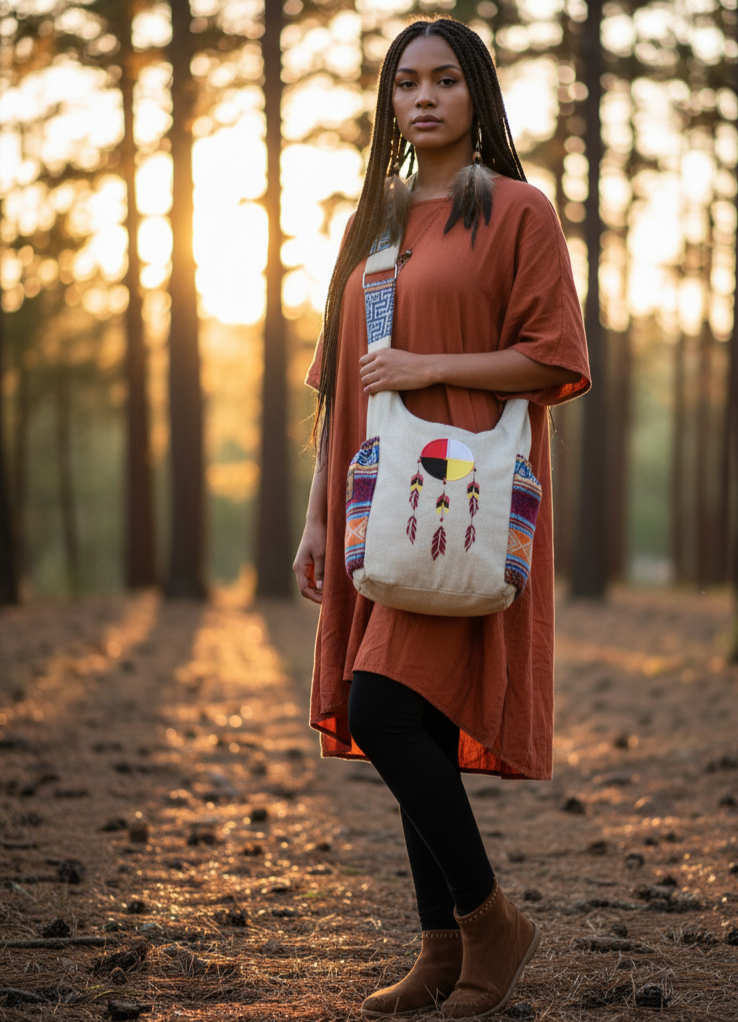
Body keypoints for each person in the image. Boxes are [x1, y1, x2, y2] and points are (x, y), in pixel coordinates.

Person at [293, 16, 591, 1019]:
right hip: (373, 499)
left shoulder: (515, 211)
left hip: (456, 496)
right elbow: (346, 386)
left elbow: (553, 355)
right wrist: (312, 516)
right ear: (389, 101)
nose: (422, 98)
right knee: (402, 711)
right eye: (405, 82)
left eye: (446, 81)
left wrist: (432, 367)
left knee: (382, 707)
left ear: (478, 97)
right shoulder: (375, 218)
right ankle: (439, 950)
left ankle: (490, 921)